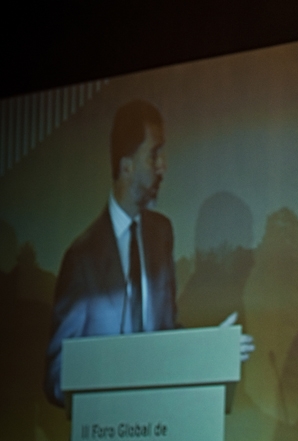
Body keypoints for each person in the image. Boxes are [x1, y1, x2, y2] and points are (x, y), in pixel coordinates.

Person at [45, 100, 253, 407]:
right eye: (154, 154)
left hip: (158, 436)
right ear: (126, 166)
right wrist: (118, 382)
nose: (163, 166)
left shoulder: (160, 234)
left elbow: (164, 337)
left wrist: (210, 349)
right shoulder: (82, 258)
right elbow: (56, 376)